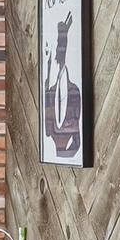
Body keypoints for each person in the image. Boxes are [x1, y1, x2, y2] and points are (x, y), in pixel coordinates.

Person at [43, 11, 83, 159]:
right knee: (61, 64)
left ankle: (63, 33)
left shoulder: (53, 134)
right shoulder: (53, 134)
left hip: (62, 94)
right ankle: (63, 33)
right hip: (64, 94)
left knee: (61, 64)